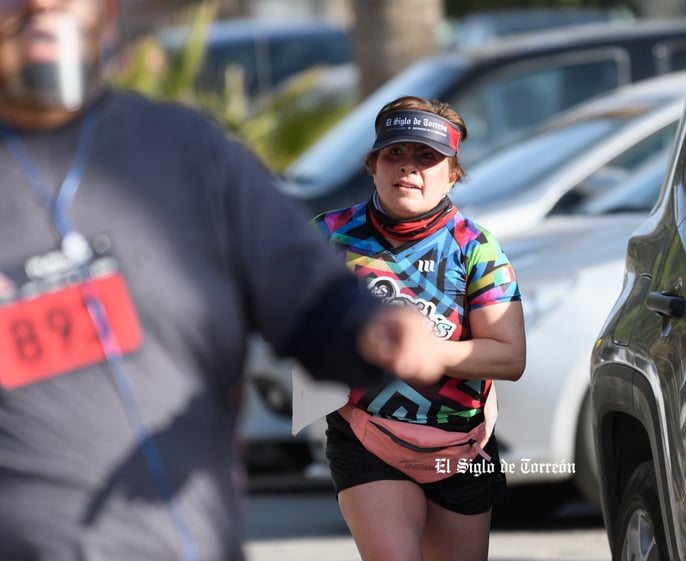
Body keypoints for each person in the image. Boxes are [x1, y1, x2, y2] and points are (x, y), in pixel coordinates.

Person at [0, 2, 447, 561]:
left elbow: (308, 295)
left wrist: (369, 327)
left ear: (108, 12)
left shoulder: (188, 152)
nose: (43, 5)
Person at [314, 95, 527, 561]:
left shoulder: (476, 247)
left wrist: (426, 351)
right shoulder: (327, 236)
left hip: (460, 444)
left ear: (452, 173)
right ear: (373, 164)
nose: (408, 167)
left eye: (426, 157)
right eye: (395, 153)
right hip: (365, 435)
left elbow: (510, 357)